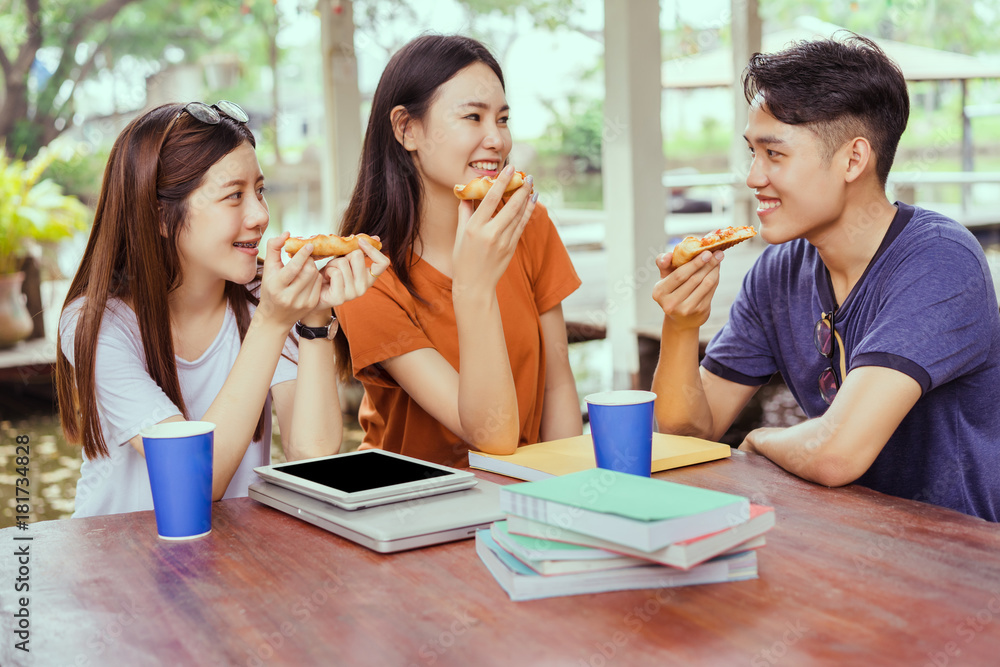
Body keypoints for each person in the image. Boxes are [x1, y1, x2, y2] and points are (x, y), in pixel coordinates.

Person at [651, 34, 1000, 521]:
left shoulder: (941, 262)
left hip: (957, 567)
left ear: (854, 160)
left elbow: (835, 454)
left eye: (775, 154)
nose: (753, 177)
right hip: (845, 543)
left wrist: (760, 439)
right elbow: (686, 438)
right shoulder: (778, 272)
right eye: (752, 152)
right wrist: (681, 325)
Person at [56, 101, 390, 517]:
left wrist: (315, 319)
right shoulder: (96, 324)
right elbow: (193, 480)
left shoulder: (260, 297)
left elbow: (312, 458)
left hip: (231, 563)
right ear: (160, 215)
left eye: (260, 191)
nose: (260, 215)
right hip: (120, 563)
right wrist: (272, 321)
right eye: (234, 195)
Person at [333, 35, 583, 468]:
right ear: (406, 129)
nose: (497, 140)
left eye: (502, 119)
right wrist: (474, 287)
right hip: (413, 507)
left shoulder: (527, 223)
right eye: (473, 116)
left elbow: (556, 386)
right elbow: (492, 436)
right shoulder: (366, 272)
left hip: (527, 496)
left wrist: (567, 492)